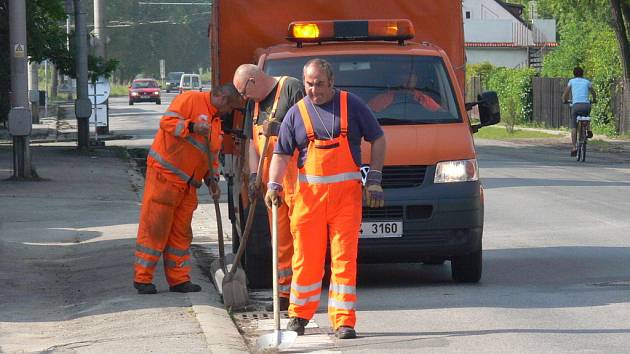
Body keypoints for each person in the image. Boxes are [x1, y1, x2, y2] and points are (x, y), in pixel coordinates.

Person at [265, 58, 386, 339]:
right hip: (309, 202)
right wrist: (274, 184)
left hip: (346, 201)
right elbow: (281, 154)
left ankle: (344, 321)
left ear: (331, 82)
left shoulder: (351, 105)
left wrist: (376, 180)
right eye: (308, 83)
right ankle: (299, 315)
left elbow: (378, 139)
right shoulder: (296, 113)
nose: (313, 89)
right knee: (306, 259)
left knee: (344, 260)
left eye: (319, 84)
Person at [134, 84, 241, 295]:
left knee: (181, 234)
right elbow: (167, 122)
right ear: (220, 97)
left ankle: (179, 280)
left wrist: (212, 180)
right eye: (229, 107)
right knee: (155, 229)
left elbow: (211, 157)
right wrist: (190, 127)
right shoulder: (190, 99)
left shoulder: (216, 123)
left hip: (188, 186)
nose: (229, 112)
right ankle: (142, 278)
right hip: (164, 177)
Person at [232, 64, 305, 311]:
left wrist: (283, 129)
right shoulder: (253, 105)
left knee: (301, 239)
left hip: (295, 181)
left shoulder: (291, 88)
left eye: (243, 91)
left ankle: (301, 294)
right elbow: (252, 144)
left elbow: (308, 130)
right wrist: (254, 176)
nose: (243, 98)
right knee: (280, 240)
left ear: (253, 80)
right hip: (272, 187)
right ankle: (284, 293)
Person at [368, 70, 441, 112]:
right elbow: (366, 114)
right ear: (397, 78)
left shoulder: (423, 98)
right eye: (404, 74)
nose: (408, 78)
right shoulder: (384, 98)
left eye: (411, 74)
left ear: (416, 78)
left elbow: (440, 113)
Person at [563, 66, 596, 156]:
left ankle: (574, 147)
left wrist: (565, 100)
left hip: (576, 106)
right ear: (582, 73)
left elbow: (566, 93)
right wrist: (595, 99)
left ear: (574, 74)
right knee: (587, 115)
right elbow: (593, 92)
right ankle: (588, 129)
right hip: (586, 105)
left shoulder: (572, 81)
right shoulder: (587, 82)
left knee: (574, 126)